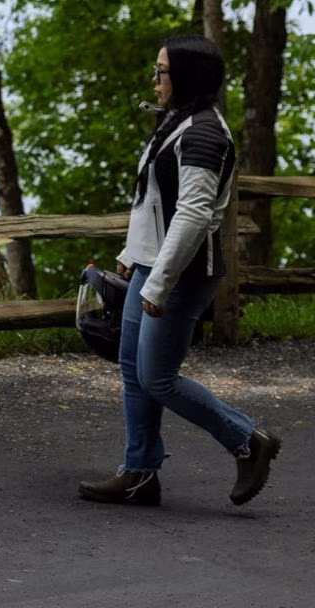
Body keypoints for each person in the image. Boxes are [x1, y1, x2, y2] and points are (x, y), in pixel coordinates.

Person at [78, 34, 281, 507]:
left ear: (186, 76)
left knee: (158, 378)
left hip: (182, 273)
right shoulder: (177, 121)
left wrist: (159, 284)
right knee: (133, 369)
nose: (154, 80)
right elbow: (152, 201)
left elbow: (192, 214)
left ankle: (248, 440)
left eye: (162, 72)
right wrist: (132, 254)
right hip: (153, 266)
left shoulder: (204, 133)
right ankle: (139, 473)